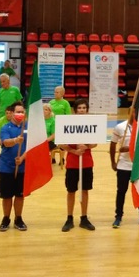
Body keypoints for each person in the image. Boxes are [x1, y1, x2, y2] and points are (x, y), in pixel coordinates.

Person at [109, 105, 139, 228]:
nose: (135, 114)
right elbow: (112, 145)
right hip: (123, 165)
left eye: (136, 112)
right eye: (132, 112)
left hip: (138, 165)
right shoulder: (120, 127)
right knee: (121, 191)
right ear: (128, 113)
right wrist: (113, 162)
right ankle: (118, 216)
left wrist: (128, 148)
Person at [61, 98, 97, 232]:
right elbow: (61, 144)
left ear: (87, 110)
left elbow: (95, 143)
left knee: (85, 190)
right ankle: (69, 218)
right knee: (71, 191)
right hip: (72, 163)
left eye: (84, 108)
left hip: (86, 162)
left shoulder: (91, 124)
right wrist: (74, 151)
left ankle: (84, 218)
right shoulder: (68, 123)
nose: (82, 110)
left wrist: (86, 146)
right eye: (79, 108)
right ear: (75, 110)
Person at [0, 102, 29, 232]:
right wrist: (16, 140)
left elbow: (31, 147)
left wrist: (22, 158)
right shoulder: (5, 127)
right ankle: (6, 218)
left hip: (22, 166)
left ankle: (18, 218)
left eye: (22, 112)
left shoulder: (28, 127)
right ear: (12, 113)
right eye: (18, 112)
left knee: (20, 195)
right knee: (7, 195)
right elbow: (5, 142)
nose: (20, 114)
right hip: (7, 166)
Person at [49, 85, 72, 166]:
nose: (55, 93)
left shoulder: (65, 103)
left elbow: (68, 115)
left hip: (62, 125)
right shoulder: (51, 102)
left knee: (62, 142)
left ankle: (62, 158)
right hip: (52, 125)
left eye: (57, 92)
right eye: (54, 92)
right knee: (52, 142)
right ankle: (53, 158)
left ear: (62, 93)